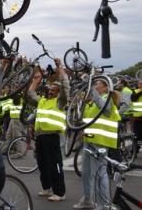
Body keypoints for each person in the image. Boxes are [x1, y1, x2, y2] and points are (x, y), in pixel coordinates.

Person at [73, 80, 121, 209]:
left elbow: (105, 110)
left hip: (100, 141)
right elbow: (91, 120)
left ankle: (103, 205)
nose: (95, 86)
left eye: (97, 84)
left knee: (100, 173)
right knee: (87, 173)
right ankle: (88, 199)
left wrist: (91, 87)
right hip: (90, 140)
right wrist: (84, 131)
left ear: (106, 88)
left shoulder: (107, 98)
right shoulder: (95, 100)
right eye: (94, 84)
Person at [27, 58, 68, 202]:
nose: (50, 92)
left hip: (53, 136)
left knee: (55, 164)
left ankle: (60, 192)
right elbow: (30, 94)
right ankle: (47, 187)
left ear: (58, 92)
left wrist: (60, 68)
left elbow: (65, 86)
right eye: (49, 89)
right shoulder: (43, 101)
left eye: (53, 90)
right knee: (42, 163)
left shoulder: (60, 102)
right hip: (40, 136)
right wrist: (35, 81)